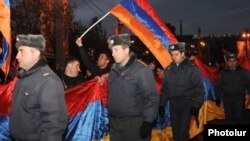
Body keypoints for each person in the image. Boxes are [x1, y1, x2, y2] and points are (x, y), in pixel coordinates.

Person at [9, 34, 68, 141]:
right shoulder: (23, 77)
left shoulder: (48, 81)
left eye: (21, 51)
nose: (17, 56)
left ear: (35, 53)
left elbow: (54, 126)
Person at [107, 33, 159, 141]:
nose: (112, 53)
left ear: (126, 50)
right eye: (112, 50)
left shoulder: (142, 70)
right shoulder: (113, 71)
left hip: (135, 125)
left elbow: (151, 98)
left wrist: (148, 121)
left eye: (116, 50)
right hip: (115, 125)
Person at [159, 42, 204, 141]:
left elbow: (199, 89)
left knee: (183, 132)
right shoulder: (168, 69)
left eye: (176, 54)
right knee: (175, 132)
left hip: (187, 103)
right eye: (172, 54)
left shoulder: (192, 69)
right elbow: (165, 89)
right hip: (173, 105)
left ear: (183, 53)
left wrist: (196, 105)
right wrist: (161, 104)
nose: (173, 57)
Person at [215, 53, 250, 124]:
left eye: (234, 61)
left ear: (237, 62)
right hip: (227, 99)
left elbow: (249, 84)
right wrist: (217, 97)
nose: (232, 63)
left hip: (239, 98)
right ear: (227, 63)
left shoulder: (243, 72)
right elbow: (219, 86)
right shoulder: (223, 73)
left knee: (239, 117)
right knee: (229, 119)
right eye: (230, 61)